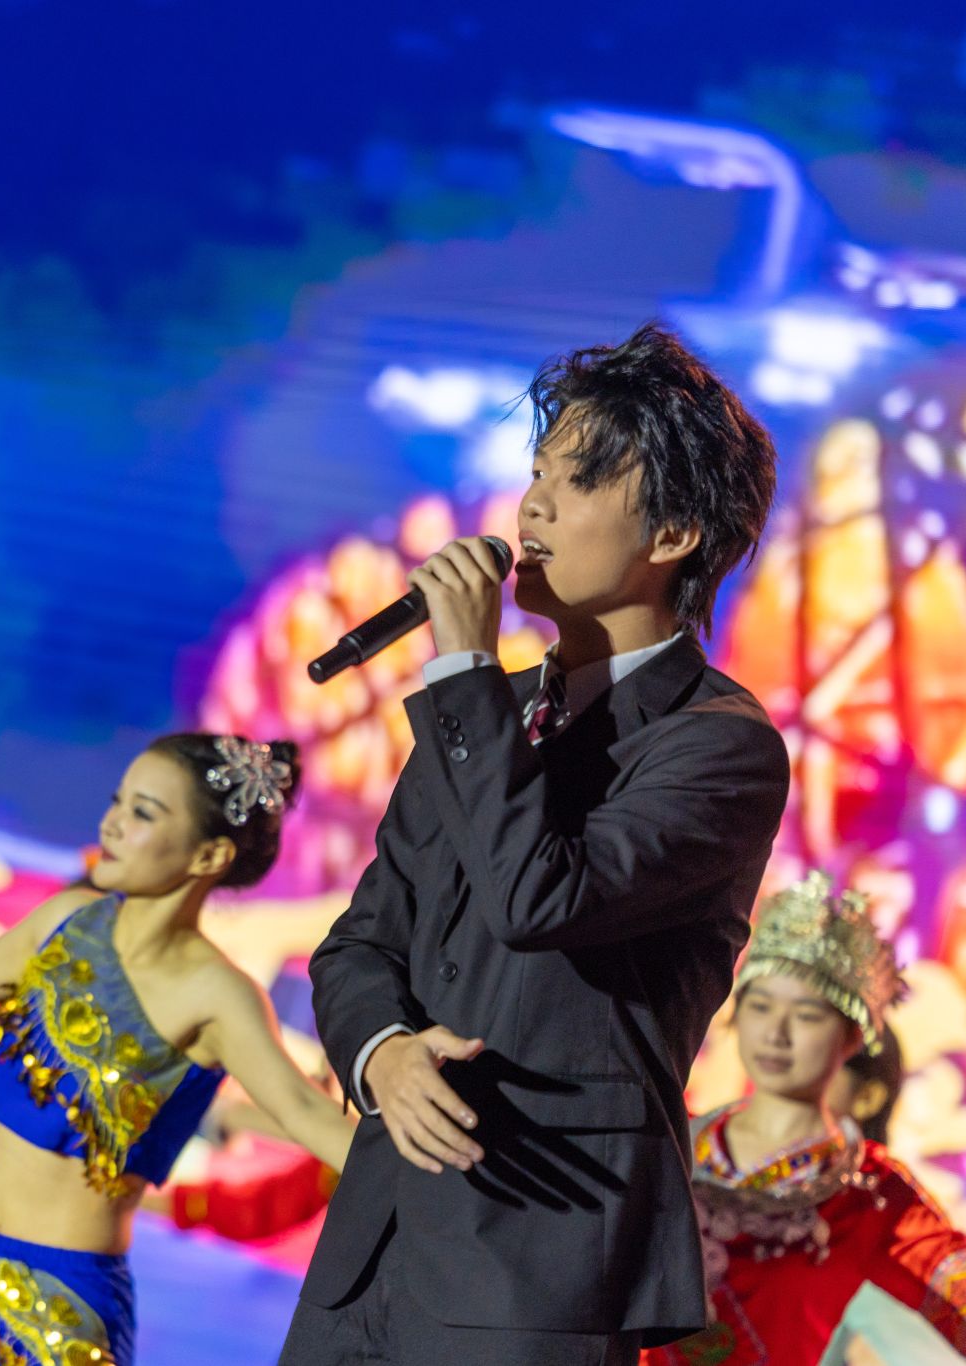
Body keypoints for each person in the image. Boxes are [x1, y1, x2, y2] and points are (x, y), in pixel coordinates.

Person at [284, 323, 791, 1365]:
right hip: (372, 1253)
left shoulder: (718, 745)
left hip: (536, 1266)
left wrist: (464, 667)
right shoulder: (486, 711)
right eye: (536, 474)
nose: (532, 508)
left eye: (580, 479)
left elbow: (540, 898)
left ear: (674, 533)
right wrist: (383, 1054)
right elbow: (360, 940)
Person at [0, 733, 355, 1364]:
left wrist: (426, 1146)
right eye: (117, 802)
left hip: (63, 1309)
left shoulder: (217, 994)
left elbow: (305, 1113)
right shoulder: (68, 920)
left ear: (209, 854)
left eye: (143, 812)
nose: (112, 823)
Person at [643, 873, 966, 1366]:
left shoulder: (869, 1191)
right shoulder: (668, 1137)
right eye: (760, 1007)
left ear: (853, 1035)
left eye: (806, 1016)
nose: (775, 1033)